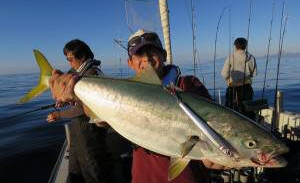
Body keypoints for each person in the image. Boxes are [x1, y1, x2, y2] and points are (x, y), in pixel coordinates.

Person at [48, 30, 227, 183]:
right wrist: (78, 97)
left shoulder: (189, 86)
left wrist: (214, 158)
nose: (147, 59)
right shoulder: (122, 92)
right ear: (130, 63)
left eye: (153, 52)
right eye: (139, 55)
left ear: (164, 55)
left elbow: (212, 132)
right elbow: (102, 120)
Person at [47, 39, 131, 183]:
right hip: (77, 133)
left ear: (83, 56)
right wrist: (63, 99)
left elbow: (82, 108)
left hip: (90, 134)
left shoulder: (92, 73)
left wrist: (59, 115)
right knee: (75, 170)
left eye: (71, 59)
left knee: (93, 172)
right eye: (67, 59)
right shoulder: (78, 72)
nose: (69, 63)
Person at [221, 37, 257, 119]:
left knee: (232, 112)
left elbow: (224, 74)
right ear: (246, 46)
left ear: (235, 46)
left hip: (233, 89)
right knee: (248, 112)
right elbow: (254, 74)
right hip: (247, 89)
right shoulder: (251, 57)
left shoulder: (231, 57)